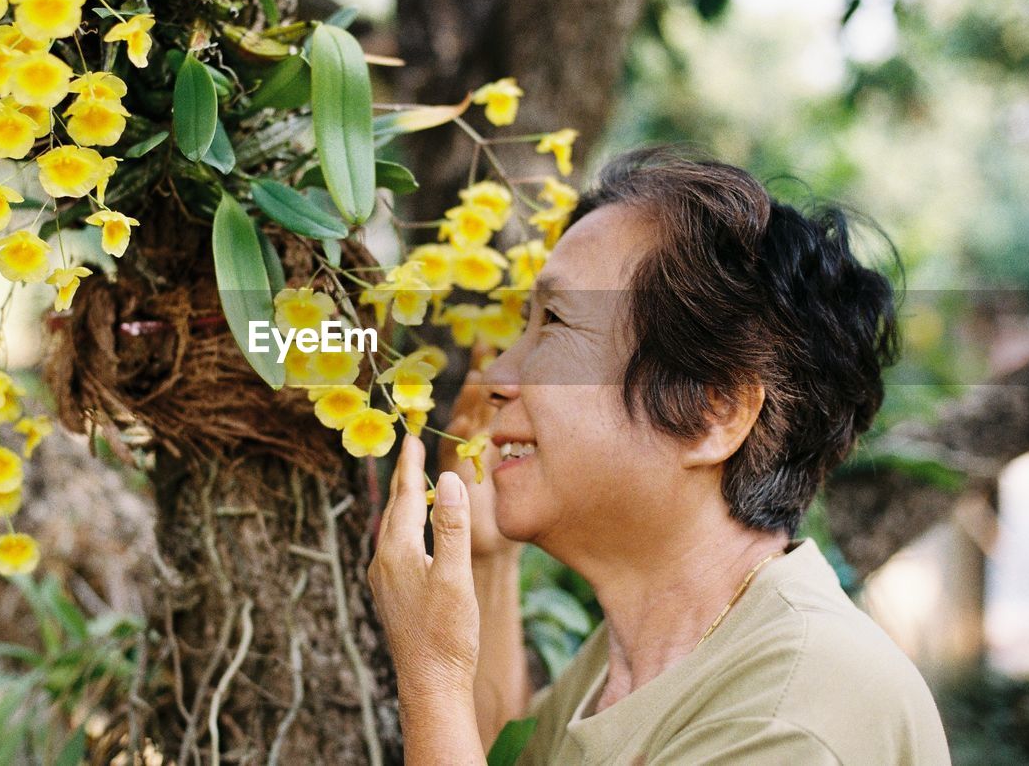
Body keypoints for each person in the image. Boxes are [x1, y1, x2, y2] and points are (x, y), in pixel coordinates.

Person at [367, 147, 950, 765]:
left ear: (714, 412)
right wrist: (487, 561)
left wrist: (432, 675)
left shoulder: (795, 714)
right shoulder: (635, 665)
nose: (495, 377)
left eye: (556, 323)